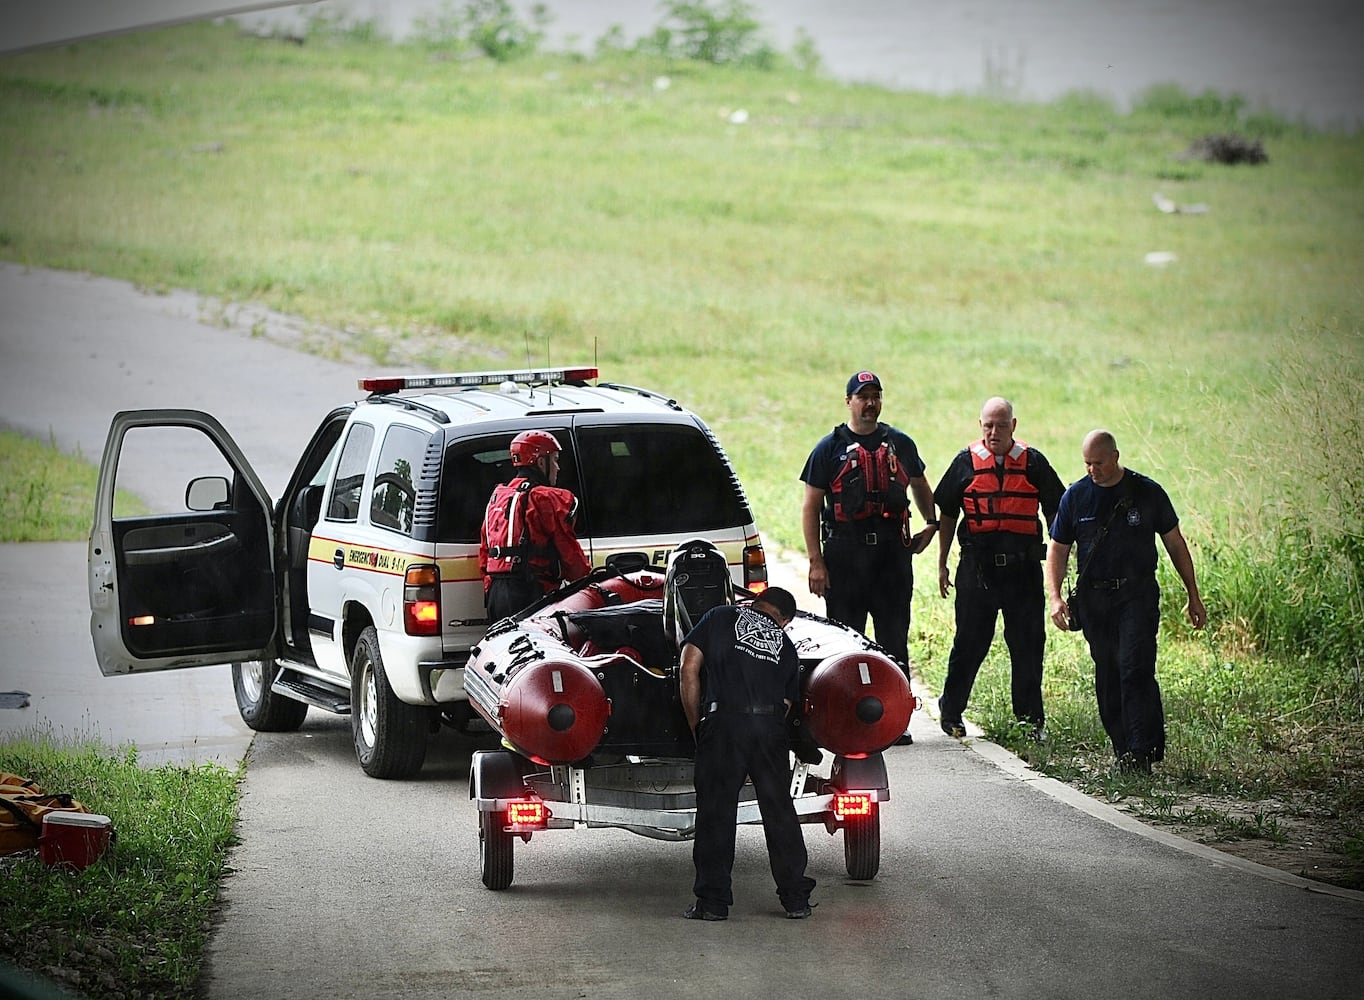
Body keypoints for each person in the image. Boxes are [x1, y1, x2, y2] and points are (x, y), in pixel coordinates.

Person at [1045, 429, 1207, 774]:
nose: (1093, 470)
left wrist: (1193, 594)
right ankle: (1123, 748)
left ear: (1116, 457)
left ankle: (1142, 750)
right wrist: (1055, 597)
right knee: (1108, 672)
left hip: (1136, 594)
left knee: (1135, 667)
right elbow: (1057, 548)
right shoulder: (1076, 497)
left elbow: (1175, 543)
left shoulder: (1146, 492)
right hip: (1094, 599)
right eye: (1087, 464)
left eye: (1099, 463)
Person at [679, 585, 816, 921]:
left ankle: (713, 903)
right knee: (779, 811)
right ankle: (795, 899)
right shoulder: (785, 645)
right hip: (769, 727)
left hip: (724, 721)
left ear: (755, 603)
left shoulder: (719, 616)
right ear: (784, 620)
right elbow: (786, 704)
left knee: (716, 813)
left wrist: (698, 725)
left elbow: (688, 668)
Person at [934, 397, 1064, 739]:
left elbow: (1058, 516)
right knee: (970, 642)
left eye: (1001, 425)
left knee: (1028, 645)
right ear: (980, 426)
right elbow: (948, 514)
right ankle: (951, 712)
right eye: (988, 425)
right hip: (978, 570)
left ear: (1013, 426)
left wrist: (1061, 571)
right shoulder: (964, 462)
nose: (994, 432)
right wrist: (942, 563)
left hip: (1023, 571)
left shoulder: (1034, 462)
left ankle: (1030, 721)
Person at [800, 371, 938, 679]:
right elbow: (810, 507)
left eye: (876, 397)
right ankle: (848, 720)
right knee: (845, 644)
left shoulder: (900, 443)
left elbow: (919, 483)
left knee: (894, 642)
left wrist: (931, 523)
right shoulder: (828, 448)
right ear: (849, 402)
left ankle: (897, 717)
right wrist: (816, 562)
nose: (870, 403)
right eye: (863, 397)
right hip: (845, 556)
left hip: (891, 557)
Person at [479, 429, 592, 623]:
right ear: (541, 462)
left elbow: (484, 554)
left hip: (496, 596)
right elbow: (570, 555)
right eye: (555, 460)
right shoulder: (546, 498)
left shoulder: (498, 497)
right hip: (531, 594)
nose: (558, 467)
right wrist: (588, 582)